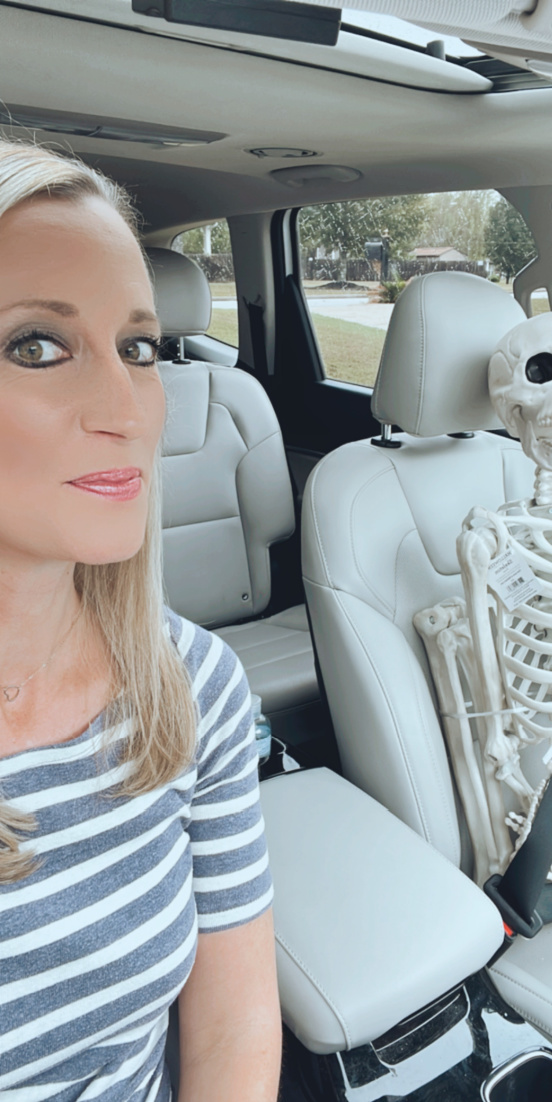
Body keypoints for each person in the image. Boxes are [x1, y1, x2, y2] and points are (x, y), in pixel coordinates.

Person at [0, 139, 282, 1101]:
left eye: (140, 349)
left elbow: (235, 1032)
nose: (128, 411)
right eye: (37, 345)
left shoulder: (189, 684)